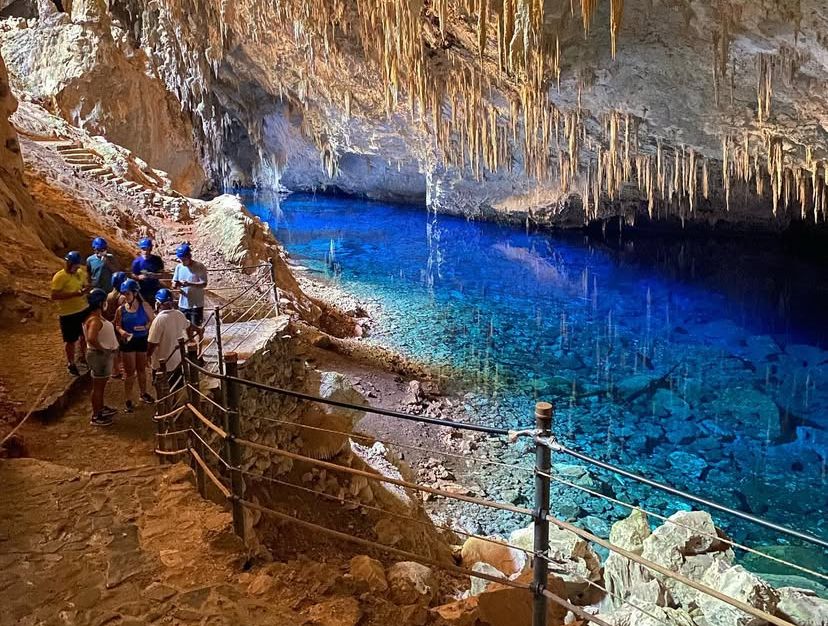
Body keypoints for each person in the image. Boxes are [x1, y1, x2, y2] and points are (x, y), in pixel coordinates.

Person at [114, 278, 155, 411]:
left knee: (142, 369)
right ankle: (128, 398)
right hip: (128, 342)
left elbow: (152, 321)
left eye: (128, 294)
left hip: (141, 340)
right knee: (129, 372)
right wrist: (122, 332)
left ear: (135, 293)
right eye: (124, 294)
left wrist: (145, 327)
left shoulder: (145, 307)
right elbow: (117, 324)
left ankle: (143, 393)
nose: (125, 297)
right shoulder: (121, 310)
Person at [147, 288, 199, 391]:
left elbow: (152, 343)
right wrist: (197, 332)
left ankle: (165, 406)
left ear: (157, 303)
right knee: (175, 388)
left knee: (162, 390)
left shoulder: (158, 320)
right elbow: (189, 325)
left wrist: (147, 356)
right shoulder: (179, 314)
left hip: (162, 363)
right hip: (177, 361)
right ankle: (175, 405)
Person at [83, 288, 119, 426]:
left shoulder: (97, 317)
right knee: (98, 387)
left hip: (101, 356)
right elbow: (91, 338)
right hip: (99, 356)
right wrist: (103, 350)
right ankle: (96, 415)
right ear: (100, 303)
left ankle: (101, 409)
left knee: (101, 386)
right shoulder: (95, 320)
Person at [51, 251, 89, 376]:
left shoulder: (80, 273)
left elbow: (85, 284)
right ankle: (71, 363)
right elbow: (54, 295)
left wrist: (85, 290)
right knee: (70, 340)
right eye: (75, 265)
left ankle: (84, 356)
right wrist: (74, 294)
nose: (77, 267)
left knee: (84, 336)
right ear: (69, 263)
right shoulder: (60, 277)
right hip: (68, 313)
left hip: (82, 309)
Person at [171, 242, 208, 326]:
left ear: (189, 256)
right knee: (183, 328)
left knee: (196, 327)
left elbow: (204, 284)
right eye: (180, 259)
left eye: (184, 259)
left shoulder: (199, 266)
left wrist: (189, 284)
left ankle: (198, 338)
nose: (182, 261)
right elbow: (174, 281)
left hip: (196, 304)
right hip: (183, 304)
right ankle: (190, 339)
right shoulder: (179, 267)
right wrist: (175, 284)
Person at [105, 271, 127, 379]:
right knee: (123, 348)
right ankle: (124, 370)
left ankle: (115, 370)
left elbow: (106, 310)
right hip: (120, 325)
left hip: (111, 323)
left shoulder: (109, 295)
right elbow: (124, 313)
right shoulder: (122, 298)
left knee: (114, 348)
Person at [131, 237, 165, 302]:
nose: (146, 251)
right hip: (141, 290)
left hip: (155, 289)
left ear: (151, 249)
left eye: (147, 249)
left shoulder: (157, 260)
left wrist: (153, 276)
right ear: (141, 249)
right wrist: (138, 277)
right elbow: (133, 275)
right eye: (144, 249)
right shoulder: (137, 261)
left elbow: (162, 274)